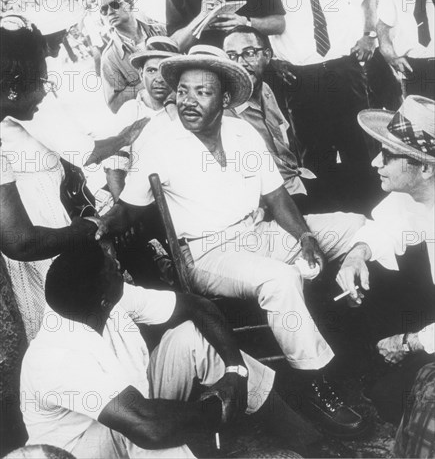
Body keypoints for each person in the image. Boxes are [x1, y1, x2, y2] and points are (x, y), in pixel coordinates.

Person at [96, 49, 368, 437]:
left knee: (353, 226)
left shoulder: (243, 132)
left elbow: (276, 197)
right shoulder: (162, 144)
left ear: (224, 99)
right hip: (208, 253)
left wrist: (304, 235)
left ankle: (363, 340)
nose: (188, 100)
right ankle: (314, 385)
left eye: (202, 92)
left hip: (258, 232)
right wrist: (99, 227)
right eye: (183, 91)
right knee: (280, 280)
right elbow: (126, 210)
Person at [21, 242, 314, 458]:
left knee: (192, 338)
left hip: (133, 409)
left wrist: (234, 373)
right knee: (149, 435)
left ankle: (306, 439)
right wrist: (217, 407)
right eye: (113, 270)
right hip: (81, 451)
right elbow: (150, 428)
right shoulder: (55, 357)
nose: (120, 268)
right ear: (102, 299)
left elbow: (198, 307)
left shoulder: (99, 299)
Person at [0, 15, 103, 455]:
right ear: (13, 85)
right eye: (42, 81)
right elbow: (20, 242)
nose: (45, 91)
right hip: (35, 249)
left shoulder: (15, 123)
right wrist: (88, 230)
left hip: (47, 239)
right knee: (51, 336)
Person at [267, 0, 378, 206]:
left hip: (344, 68)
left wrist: (369, 35)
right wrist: (272, 59)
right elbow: (262, 21)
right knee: (314, 157)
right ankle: (329, 220)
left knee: (359, 146)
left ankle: (370, 216)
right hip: (300, 77)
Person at [336, 95, 435, 423]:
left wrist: (409, 343)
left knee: (400, 404)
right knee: (388, 396)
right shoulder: (417, 194)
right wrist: (355, 257)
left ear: (425, 167)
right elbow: (385, 227)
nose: (375, 162)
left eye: (388, 155)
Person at [222, 26, 315, 201]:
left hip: (296, 183)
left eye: (249, 53)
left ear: (267, 55)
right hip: (270, 199)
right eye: (232, 56)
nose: (240, 63)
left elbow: (284, 141)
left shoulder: (266, 90)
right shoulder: (224, 110)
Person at [104, 37, 179, 202]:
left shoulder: (185, 109)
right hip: (144, 202)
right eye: (152, 70)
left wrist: (172, 106)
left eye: (165, 71)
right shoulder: (131, 110)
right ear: (140, 73)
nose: (159, 78)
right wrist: (125, 213)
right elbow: (114, 169)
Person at [99, 0, 166, 113]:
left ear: (130, 2)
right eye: (104, 9)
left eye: (114, 4)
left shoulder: (161, 31)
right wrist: (144, 85)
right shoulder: (110, 58)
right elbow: (114, 104)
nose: (110, 12)